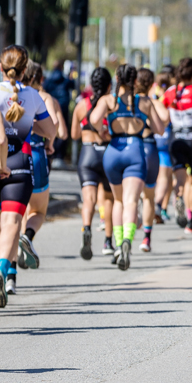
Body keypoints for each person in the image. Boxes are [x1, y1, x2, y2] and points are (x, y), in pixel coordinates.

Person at [0, 45, 56, 298]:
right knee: (12, 222)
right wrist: (31, 126)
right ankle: (2, 270)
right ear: (25, 71)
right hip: (20, 165)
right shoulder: (34, 97)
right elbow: (51, 131)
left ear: (1, 67)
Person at [91, 64, 165, 270]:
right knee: (132, 201)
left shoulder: (109, 100)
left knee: (118, 200)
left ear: (117, 78)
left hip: (113, 151)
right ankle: (127, 241)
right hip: (136, 150)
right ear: (135, 80)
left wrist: (103, 132)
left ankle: (116, 244)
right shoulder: (144, 102)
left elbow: (94, 119)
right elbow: (159, 129)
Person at [19, 61, 68, 271]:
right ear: (41, 78)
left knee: (16, 213)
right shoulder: (46, 98)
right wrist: (50, 143)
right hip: (37, 155)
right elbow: (58, 128)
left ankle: (9, 273)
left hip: (13, 154)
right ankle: (27, 238)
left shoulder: (13, 93)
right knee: (37, 211)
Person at [72, 68, 115, 260]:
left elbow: (74, 135)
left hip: (87, 154)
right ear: (109, 85)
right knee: (108, 200)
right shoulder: (111, 105)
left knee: (88, 198)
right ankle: (108, 241)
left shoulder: (82, 105)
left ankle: (86, 228)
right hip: (107, 153)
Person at [163, 58, 192, 233]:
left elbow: (164, 117)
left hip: (175, 137)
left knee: (180, 178)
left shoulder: (169, 93)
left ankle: (178, 197)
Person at [135, 68, 169, 252]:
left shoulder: (126, 102)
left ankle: (125, 236)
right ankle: (146, 238)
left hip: (129, 146)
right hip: (149, 146)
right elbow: (164, 120)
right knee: (149, 197)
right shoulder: (152, 102)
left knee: (128, 197)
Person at [154, 67, 175, 222]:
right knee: (164, 179)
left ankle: (161, 208)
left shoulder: (151, 97)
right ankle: (158, 205)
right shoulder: (172, 97)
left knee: (156, 178)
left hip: (151, 141)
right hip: (166, 141)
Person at [42, 59, 75, 159]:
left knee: (51, 128)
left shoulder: (48, 80)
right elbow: (73, 85)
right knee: (63, 131)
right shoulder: (65, 79)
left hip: (50, 106)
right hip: (63, 107)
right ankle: (60, 156)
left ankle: (51, 151)